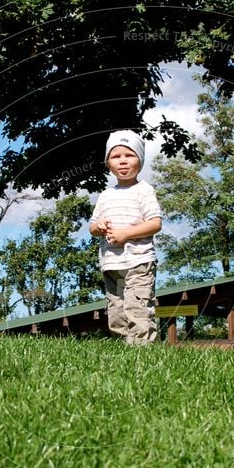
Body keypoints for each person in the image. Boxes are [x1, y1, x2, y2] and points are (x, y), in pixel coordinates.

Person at [89, 130, 162, 344]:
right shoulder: (105, 195)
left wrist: (125, 234)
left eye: (129, 155)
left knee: (136, 307)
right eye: (116, 156)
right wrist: (99, 226)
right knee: (117, 311)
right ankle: (123, 351)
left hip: (138, 262)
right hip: (112, 265)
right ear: (107, 163)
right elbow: (92, 227)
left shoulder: (144, 190)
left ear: (140, 160)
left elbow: (155, 223)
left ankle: (143, 351)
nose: (122, 161)